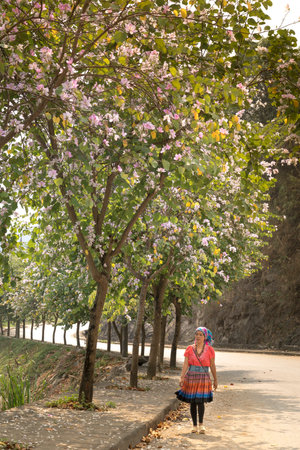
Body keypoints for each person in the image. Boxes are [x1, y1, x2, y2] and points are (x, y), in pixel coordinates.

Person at [175, 326, 217, 434]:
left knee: (200, 401)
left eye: (200, 335)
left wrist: (215, 380)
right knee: (193, 402)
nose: (198, 336)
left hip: (203, 378)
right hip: (191, 377)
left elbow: (212, 366)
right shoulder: (190, 348)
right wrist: (182, 377)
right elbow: (185, 364)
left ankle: (201, 425)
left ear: (205, 337)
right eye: (196, 334)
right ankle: (194, 425)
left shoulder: (210, 350)